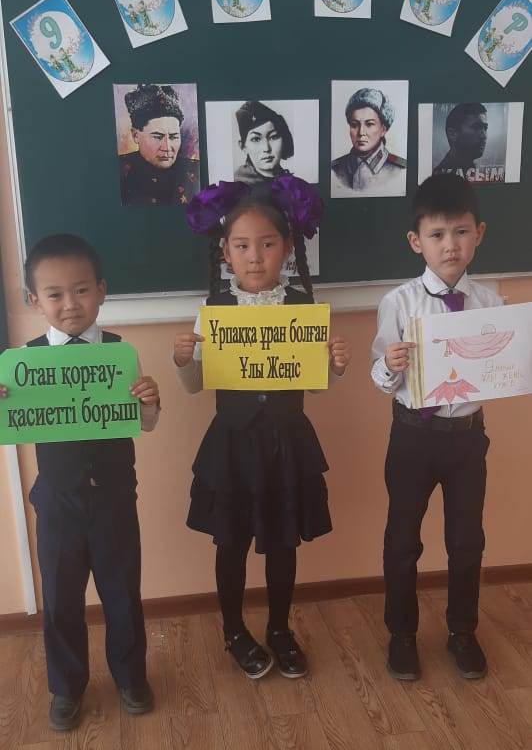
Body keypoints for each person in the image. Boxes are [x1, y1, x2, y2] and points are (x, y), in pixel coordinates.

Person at [174, 176, 351, 680]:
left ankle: (278, 628)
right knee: (230, 542)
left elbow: (313, 385)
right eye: (242, 246)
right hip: (232, 445)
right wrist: (183, 359)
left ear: (287, 248)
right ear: (225, 252)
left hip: (285, 444)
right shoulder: (214, 311)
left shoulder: (302, 309)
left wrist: (335, 365)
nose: (255, 257)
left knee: (282, 541)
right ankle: (233, 630)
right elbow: (196, 385)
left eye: (267, 244)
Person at [0, 234, 160, 731]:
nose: (70, 304)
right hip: (58, 504)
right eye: (55, 294)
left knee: (122, 593)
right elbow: (13, 426)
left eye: (81, 290)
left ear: (102, 290)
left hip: (114, 500)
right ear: (35, 300)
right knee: (61, 600)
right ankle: (66, 686)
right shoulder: (22, 363)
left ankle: (131, 677)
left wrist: (149, 400)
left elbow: (145, 423)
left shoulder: (120, 354)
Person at [371, 174, 503, 682]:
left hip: (467, 438)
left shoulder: (491, 303)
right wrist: (390, 364)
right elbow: (380, 378)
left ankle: (462, 631)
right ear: (416, 241)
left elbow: (500, 368)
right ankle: (401, 634)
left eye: (461, 232)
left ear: (479, 234)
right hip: (413, 436)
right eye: (437, 234)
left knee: (467, 540)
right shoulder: (399, 303)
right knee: (402, 539)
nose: (451, 245)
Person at [119, 84, 199, 206]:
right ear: (135, 135)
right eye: (157, 137)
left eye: (173, 137)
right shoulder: (119, 170)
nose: (167, 147)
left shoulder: (196, 171)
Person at [331, 88, 406, 195]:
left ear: (383, 130)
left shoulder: (400, 169)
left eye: (369, 124)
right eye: (354, 125)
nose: (361, 132)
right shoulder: (334, 169)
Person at [234, 100, 294, 186]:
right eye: (256, 139)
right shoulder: (237, 187)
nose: (266, 148)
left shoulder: (292, 183)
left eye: (273, 137)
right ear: (243, 147)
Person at [433, 103, 489, 178]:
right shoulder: (440, 178)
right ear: (452, 134)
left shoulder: (472, 170)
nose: (484, 136)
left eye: (485, 128)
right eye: (476, 127)